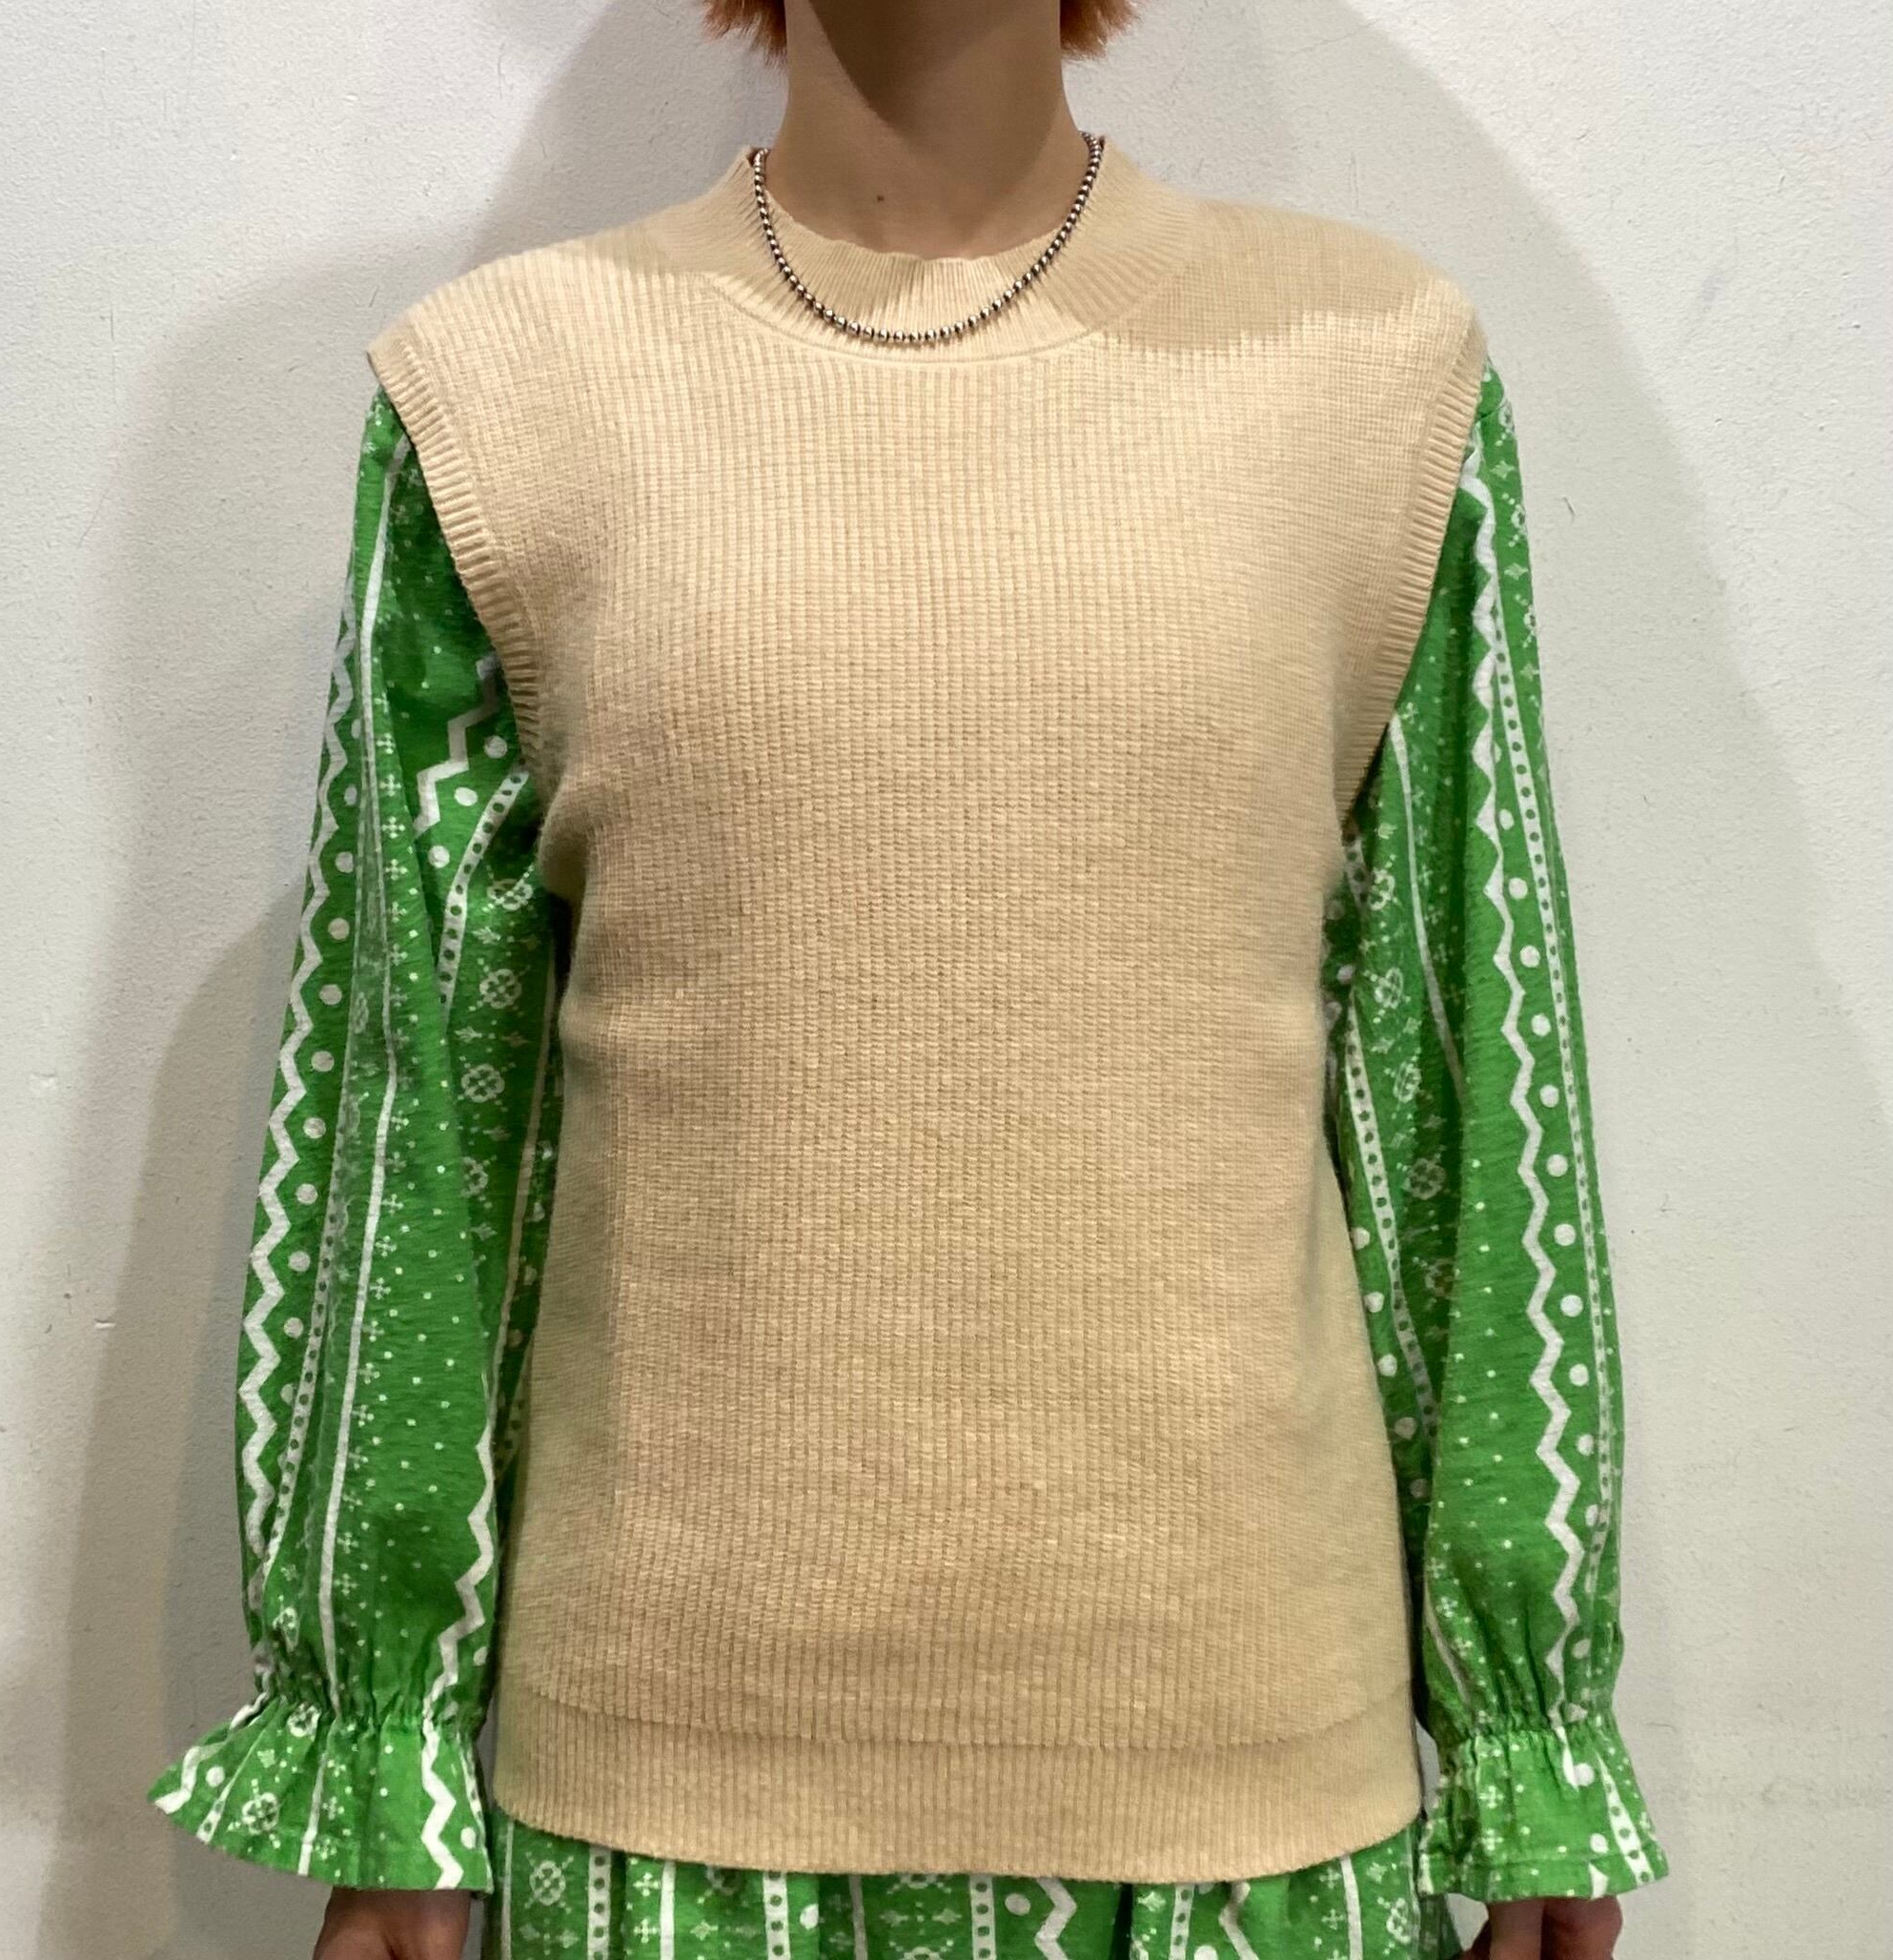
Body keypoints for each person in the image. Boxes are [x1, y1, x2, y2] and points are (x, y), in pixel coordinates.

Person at [147, 3, 1669, 1956]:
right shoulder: (506, 396)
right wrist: (390, 1755)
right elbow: (417, 1115)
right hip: (662, 1820)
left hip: (1247, 1819)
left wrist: (1530, 1738)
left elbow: (1467, 1088)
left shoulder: (1373, 377)